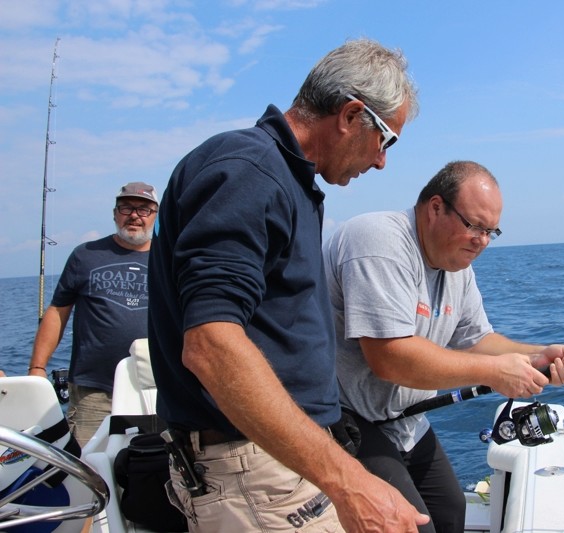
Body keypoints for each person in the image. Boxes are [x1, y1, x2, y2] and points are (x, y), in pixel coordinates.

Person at [148, 38, 429, 532]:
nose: (383, 161)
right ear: (349, 115)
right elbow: (212, 345)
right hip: (254, 474)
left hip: (282, 462)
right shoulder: (249, 172)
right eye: (386, 139)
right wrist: (348, 481)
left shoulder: (284, 180)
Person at [322, 160, 564, 532]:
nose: (482, 241)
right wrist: (494, 373)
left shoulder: (457, 270)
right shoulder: (377, 240)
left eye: (491, 232)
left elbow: (477, 340)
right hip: (343, 418)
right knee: (411, 525)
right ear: (436, 208)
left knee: (451, 511)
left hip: (405, 421)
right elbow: (389, 359)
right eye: (474, 226)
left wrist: (537, 356)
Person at [28, 181, 159, 446]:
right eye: (126, 207)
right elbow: (57, 312)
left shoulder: (170, 259)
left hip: (156, 388)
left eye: (144, 209)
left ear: (155, 216)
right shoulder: (85, 255)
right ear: (114, 213)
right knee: (88, 471)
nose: (135, 215)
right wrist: (37, 367)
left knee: (157, 469)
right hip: (93, 391)